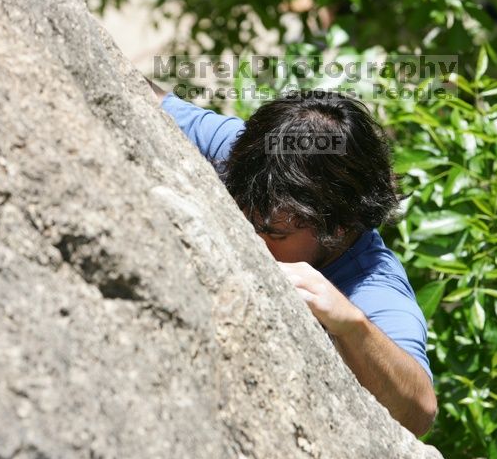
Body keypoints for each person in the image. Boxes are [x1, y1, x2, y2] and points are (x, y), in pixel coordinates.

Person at [150, 81, 437, 436]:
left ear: (340, 230)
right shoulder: (261, 162)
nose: (251, 237)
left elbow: (420, 412)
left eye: (274, 233)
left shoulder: (371, 284)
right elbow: (151, 96)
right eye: (244, 216)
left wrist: (351, 325)